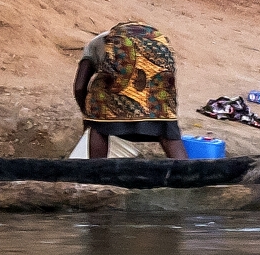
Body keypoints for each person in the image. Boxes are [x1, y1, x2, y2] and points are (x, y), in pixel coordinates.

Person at [73, 21, 186, 159]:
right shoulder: (151, 37)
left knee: (99, 124)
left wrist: (89, 115)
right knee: (166, 125)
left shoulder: (94, 45)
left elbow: (79, 87)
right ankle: (186, 170)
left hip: (126, 62)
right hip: (160, 56)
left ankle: (98, 170)